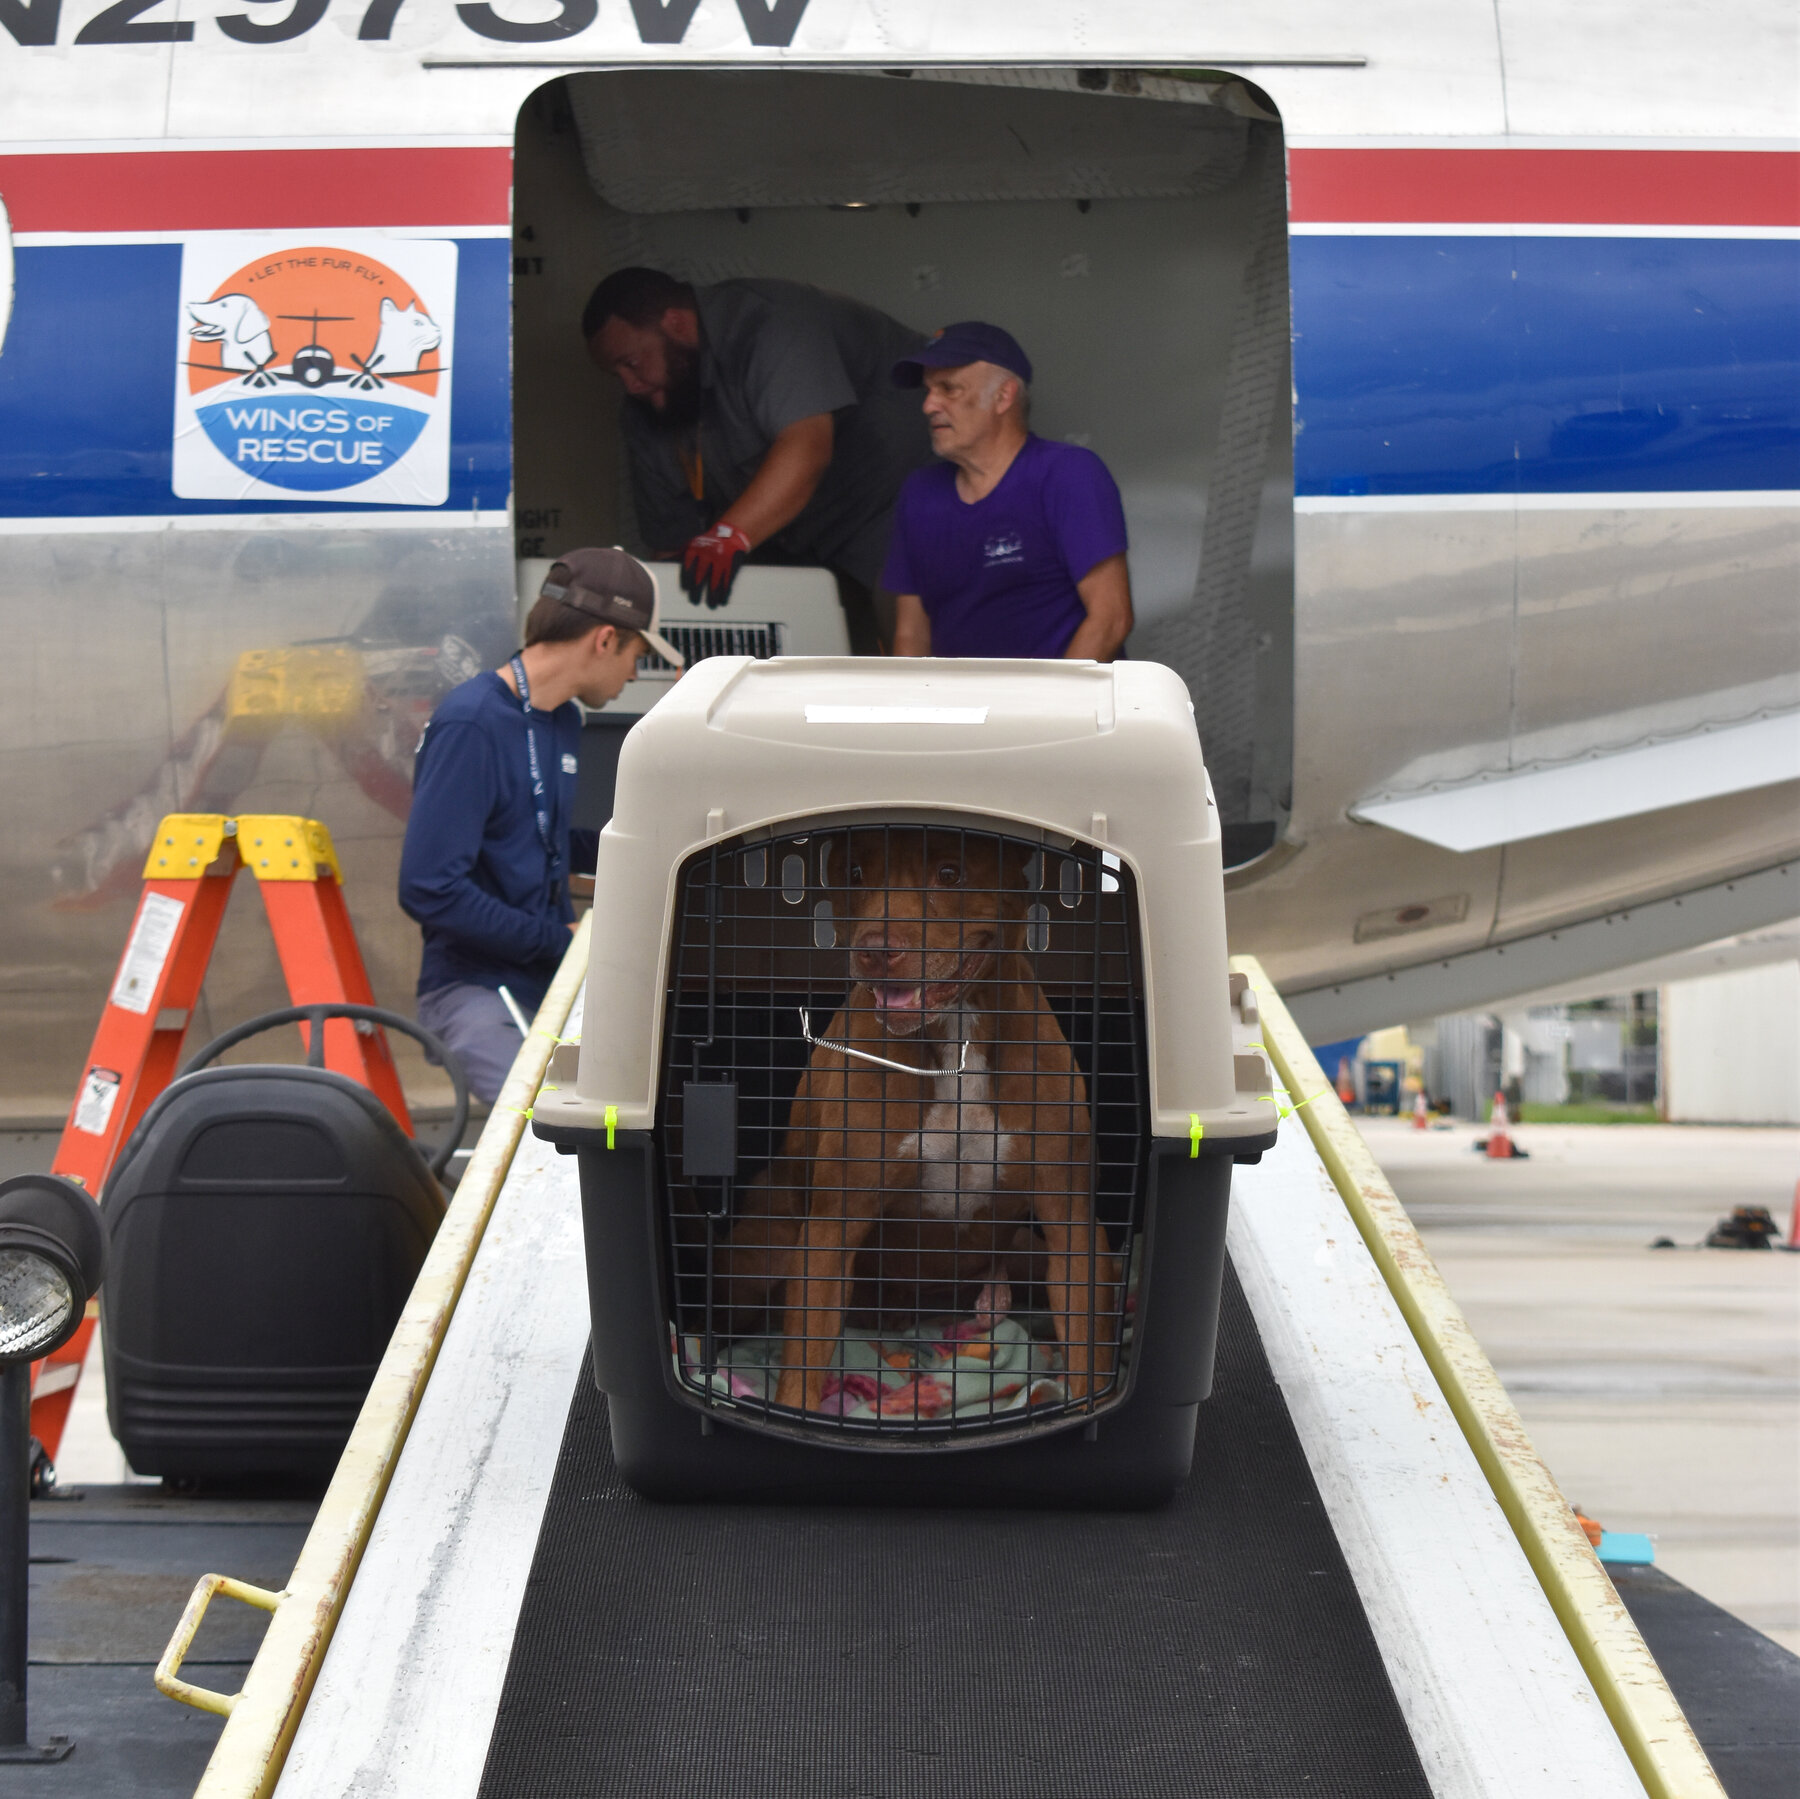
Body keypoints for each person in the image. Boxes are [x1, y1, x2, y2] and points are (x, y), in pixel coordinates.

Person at [399, 548, 684, 1103]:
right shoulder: (473, 721)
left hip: (546, 980)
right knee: (543, 1133)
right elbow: (428, 887)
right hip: (472, 988)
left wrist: (663, 854)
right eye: (638, 653)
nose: (634, 672)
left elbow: (542, 842)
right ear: (605, 639)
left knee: (636, 1106)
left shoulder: (561, 720)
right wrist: (559, 939)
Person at [583, 267, 933, 653]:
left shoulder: (773, 319)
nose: (630, 385)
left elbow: (807, 446)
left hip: (892, 516)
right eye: (616, 373)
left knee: (914, 663)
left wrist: (728, 536)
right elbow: (671, 550)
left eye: (631, 363)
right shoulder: (648, 411)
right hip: (796, 546)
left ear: (676, 323)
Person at [883, 322, 1134, 661]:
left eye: (948, 388)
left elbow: (1111, 619)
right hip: (963, 710)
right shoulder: (920, 494)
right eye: (928, 390)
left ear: (1003, 396)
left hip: (1063, 708)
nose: (929, 406)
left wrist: (1045, 712)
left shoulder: (1068, 474)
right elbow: (911, 634)